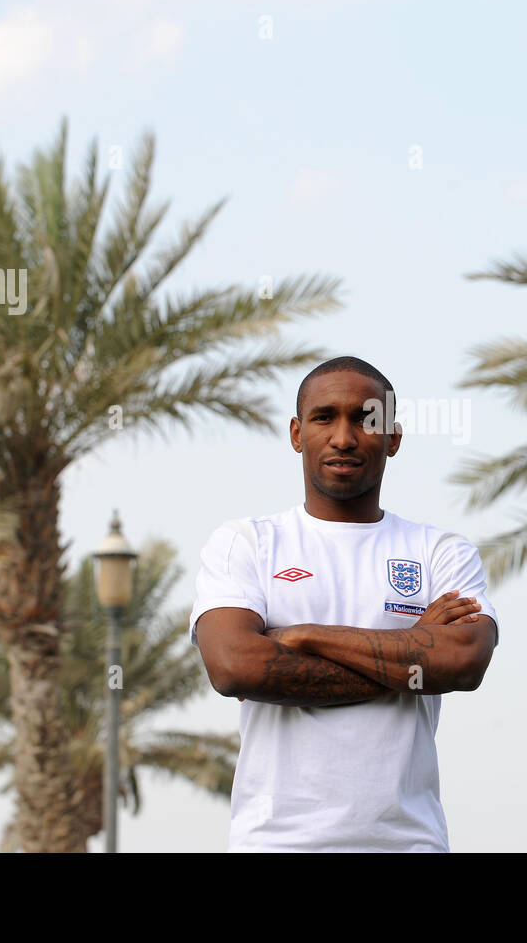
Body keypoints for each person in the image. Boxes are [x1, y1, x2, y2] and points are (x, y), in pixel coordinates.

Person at [190, 356, 499, 852]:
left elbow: (460, 661)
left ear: (393, 438)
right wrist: (409, 655)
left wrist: (305, 637)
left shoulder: (440, 551)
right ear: (296, 433)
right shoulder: (247, 542)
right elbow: (233, 666)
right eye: (324, 417)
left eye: (365, 419)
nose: (344, 437)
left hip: (408, 842)